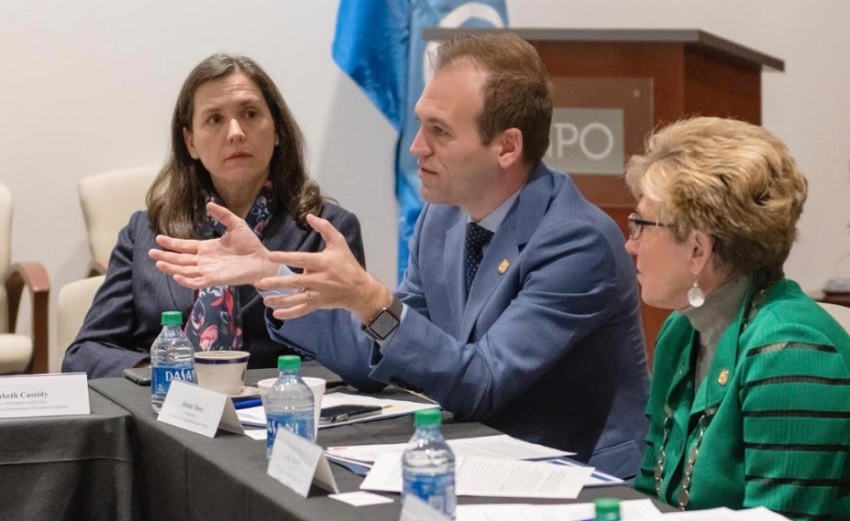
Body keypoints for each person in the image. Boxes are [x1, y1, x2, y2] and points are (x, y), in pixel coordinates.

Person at [151, 34, 649, 478]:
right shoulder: (444, 219)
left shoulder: (576, 242)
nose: (416, 147)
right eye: (419, 125)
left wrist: (371, 301)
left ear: (507, 146)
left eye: (440, 132)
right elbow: (380, 358)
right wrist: (271, 275)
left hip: (576, 478)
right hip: (474, 457)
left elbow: (484, 382)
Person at [62, 53, 365, 379]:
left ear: (277, 130)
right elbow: (86, 353)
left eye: (250, 114)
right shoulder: (147, 233)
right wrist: (161, 373)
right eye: (214, 119)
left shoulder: (325, 231)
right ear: (190, 142)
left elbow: (354, 357)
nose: (235, 132)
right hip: (162, 414)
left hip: (275, 414)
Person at [624, 117, 850, 518]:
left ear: (698, 250)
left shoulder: (791, 350)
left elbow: (781, 518)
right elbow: (651, 498)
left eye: (641, 225)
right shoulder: (681, 330)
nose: (630, 244)